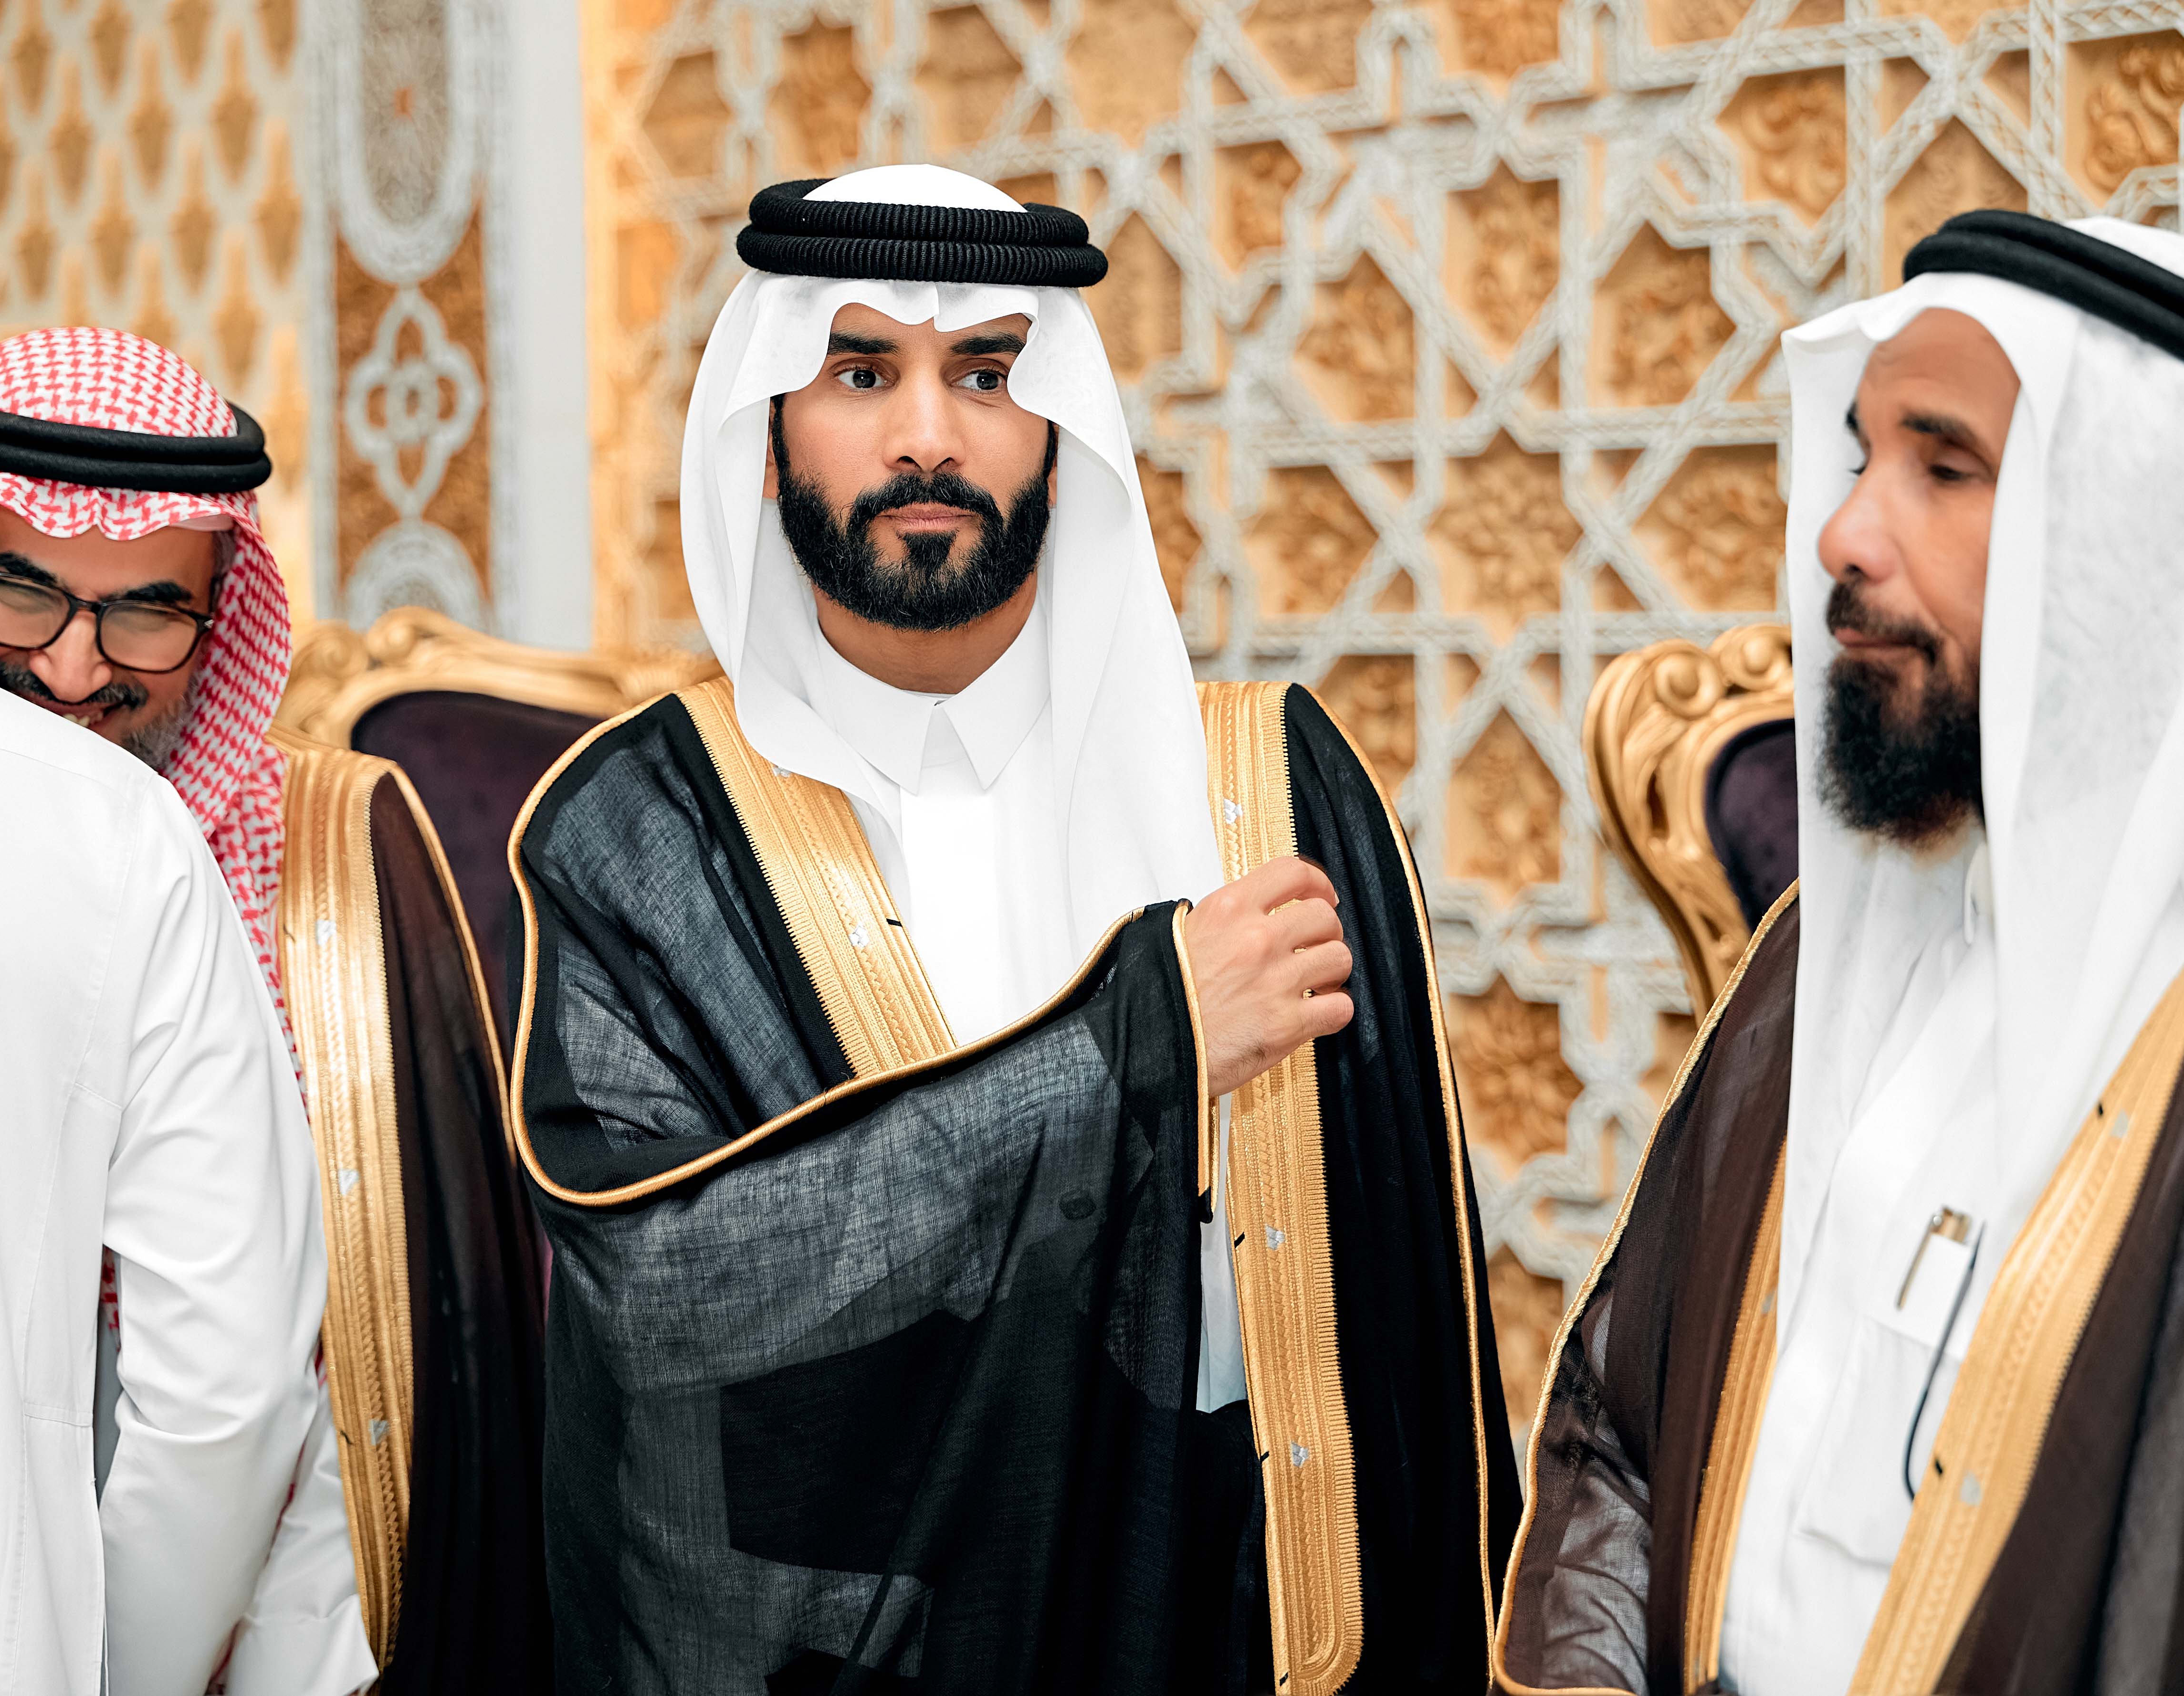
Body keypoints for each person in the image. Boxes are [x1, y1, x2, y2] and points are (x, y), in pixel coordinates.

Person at [506, 165, 1517, 1694]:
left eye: (986, 373)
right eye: (862, 374)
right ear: (767, 434)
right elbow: (670, 1292)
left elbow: (1405, 1327)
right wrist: (1139, 1047)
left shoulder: (1268, 783)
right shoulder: (642, 828)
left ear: (1060, 427)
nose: (928, 435)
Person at [1494, 212, 2184, 1695]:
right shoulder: (1818, 950)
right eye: (1860, 455)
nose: (1841, 533)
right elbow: (1619, 1430)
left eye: (1942, 468)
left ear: (2137, 543)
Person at [0, 264, 352, 1690]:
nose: (75, 670)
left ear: (222, 618)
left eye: (148, 615)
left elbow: (276, 1389)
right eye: (19, 591)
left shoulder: (305, 871)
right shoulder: (89, 838)